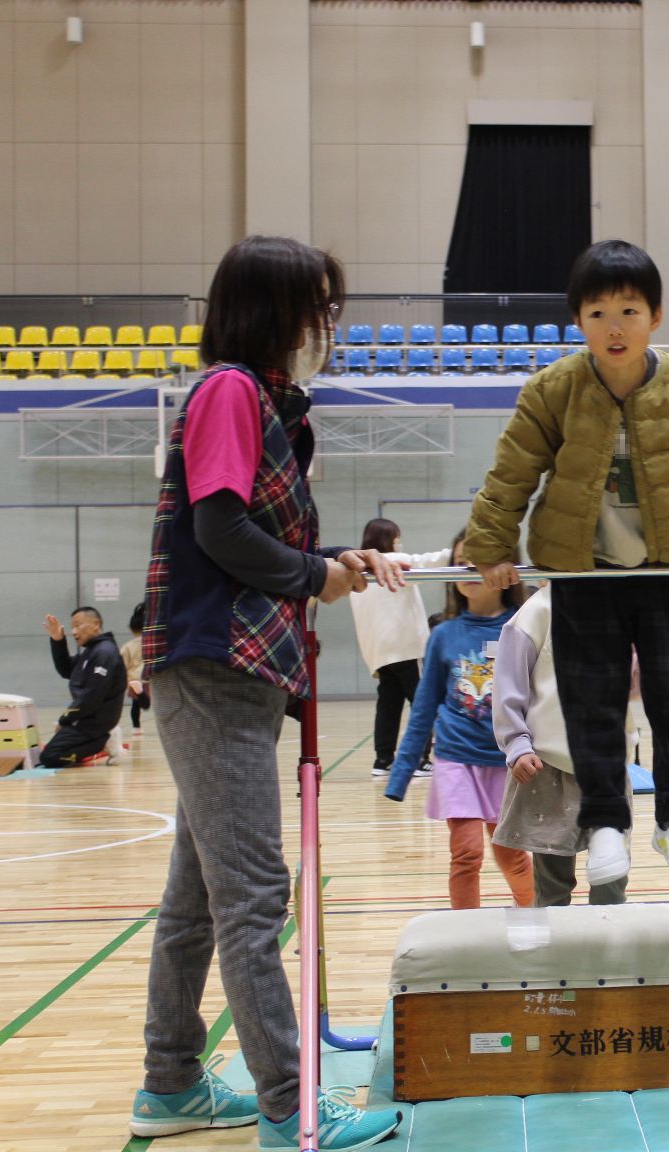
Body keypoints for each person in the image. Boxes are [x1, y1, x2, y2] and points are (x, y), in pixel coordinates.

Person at [128, 235, 403, 1151]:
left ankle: (168, 1083)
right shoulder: (230, 392)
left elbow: (257, 536)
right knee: (251, 896)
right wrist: (309, 574)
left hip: (231, 671)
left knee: (198, 900)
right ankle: (288, 1106)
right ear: (271, 309)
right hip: (213, 665)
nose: (323, 326)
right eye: (314, 307)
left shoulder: (269, 405)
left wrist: (329, 566)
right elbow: (221, 530)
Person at [463, 239, 669, 887]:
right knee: (590, 705)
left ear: (655, 317)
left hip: (666, 571)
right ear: (578, 322)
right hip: (584, 573)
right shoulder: (553, 390)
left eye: (629, 311)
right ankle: (605, 822)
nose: (615, 327)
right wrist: (491, 551)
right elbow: (510, 475)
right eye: (598, 313)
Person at [383, 533, 535, 909]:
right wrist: (401, 773)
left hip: (505, 761)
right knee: (465, 853)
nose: (465, 571)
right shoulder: (444, 635)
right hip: (455, 758)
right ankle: (465, 935)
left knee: (509, 854)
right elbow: (423, 706)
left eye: (476, 562)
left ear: (506, 570)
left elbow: (541, 698)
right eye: (459, 561)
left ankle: (533, 910)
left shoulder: (523, 627)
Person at [492, 582, 631, 907]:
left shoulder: (618, 606)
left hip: (606, 765)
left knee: (611, 877)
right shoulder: (535, 613)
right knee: (552, 883)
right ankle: (555, 952)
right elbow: (508, 686)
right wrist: (517, 745)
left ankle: (608, 948)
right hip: (548, 766)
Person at [348, 517, 451, 779]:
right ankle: (419, 760)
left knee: (388, 706)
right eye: (396, 536)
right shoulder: (394, 561)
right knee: (423, 704)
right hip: (405, 647)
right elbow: (429, 561)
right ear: (390, 538)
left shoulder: (356, 573)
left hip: (379, 653)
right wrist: (460, 549)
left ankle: (383, 760)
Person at [40, 606, 126, 767]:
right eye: (72, 627)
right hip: (86, 719)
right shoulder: (93, 651)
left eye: (78, 625)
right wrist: (57, 640)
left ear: (95, 624)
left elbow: (92, 696)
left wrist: (64, 720)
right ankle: (102, 740)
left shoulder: (104, 653)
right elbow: (66, 669)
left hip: (95, 722)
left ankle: (105, 741)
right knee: (52, 753)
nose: (73, 631)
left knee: (49, 757)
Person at [121, 603, 149, 738]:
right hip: (150, 678)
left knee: (135, 705)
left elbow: (122, 664)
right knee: (153, 703)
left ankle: (136, 727)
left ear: (131, 628)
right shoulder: (152, 643)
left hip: (134, 679)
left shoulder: (128, 647)